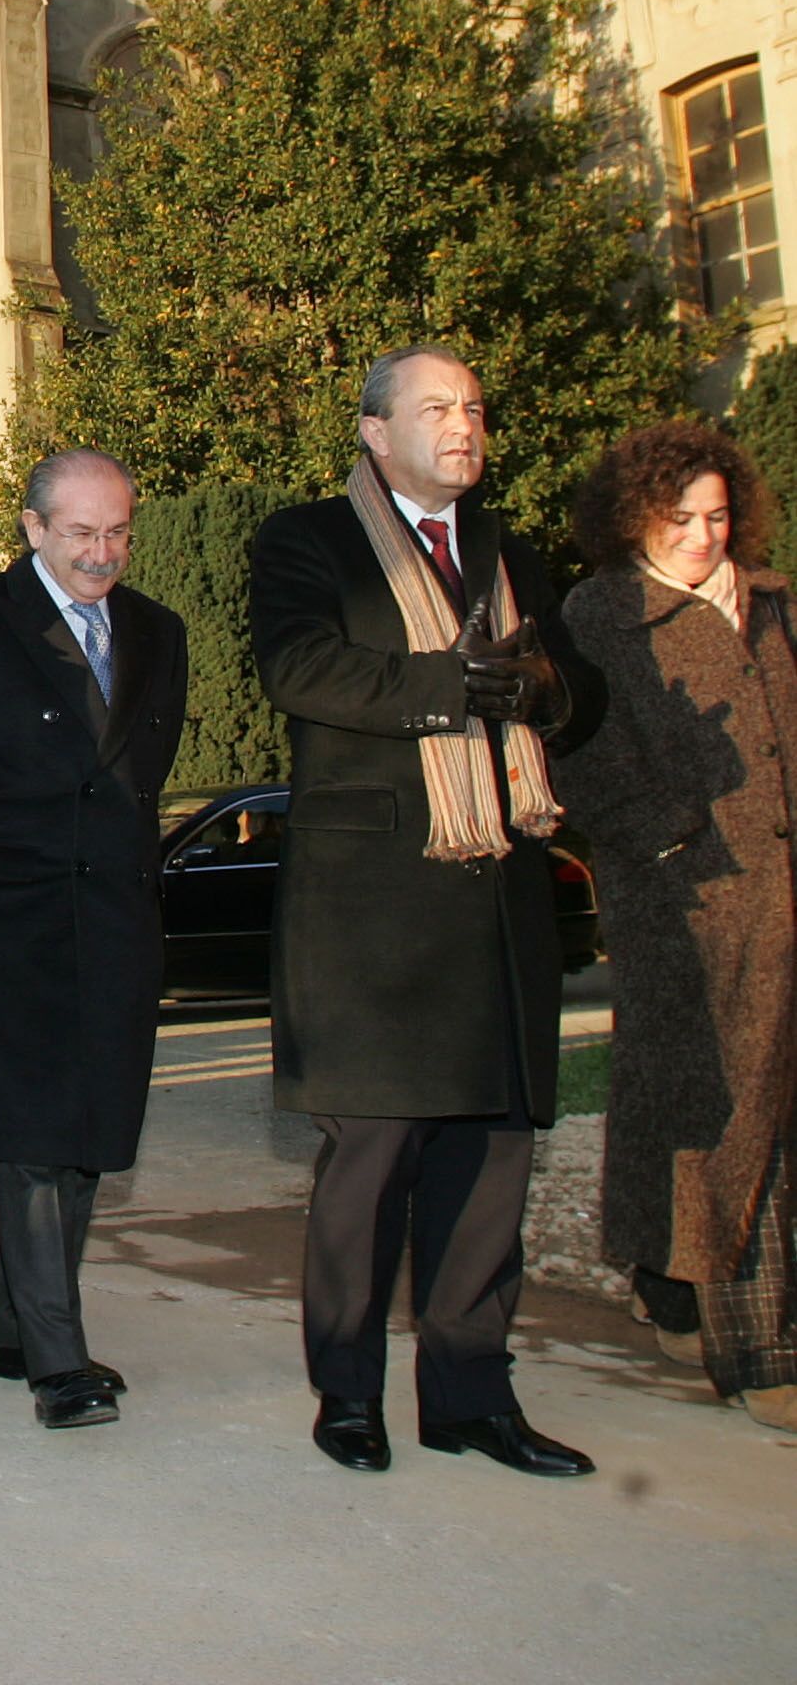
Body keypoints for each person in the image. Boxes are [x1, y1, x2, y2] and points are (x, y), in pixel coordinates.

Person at [250, 345, 600, 1480]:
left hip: (495, 907)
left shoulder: (511, 552)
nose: (465, 424)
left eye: (476, 407)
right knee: (373, 1165)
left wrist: (539, 689)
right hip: (371, 914)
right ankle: (347, 1394)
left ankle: (468, 1393)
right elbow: (301, 668)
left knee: (493, 1161)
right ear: (374, 432)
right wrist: (455, 686)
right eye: (438, 407)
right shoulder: (306, 539)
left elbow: (579, 691)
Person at [0, 449, 188, 1430]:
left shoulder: (161, 632)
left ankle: (18, 1329)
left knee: (85, 1138)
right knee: (29, 1139)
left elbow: (140, 777)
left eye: (117, 531)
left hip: (114, 924)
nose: (101, 552)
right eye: (80, 532)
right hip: (5, 923)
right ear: (31, 528)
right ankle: (57, 1359)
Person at [554, 421, 797, 1432]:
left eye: (717, 516)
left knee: (718, 1099)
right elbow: (576, 750)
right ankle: (761, 1347)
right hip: (682, 898)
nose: (703, 536)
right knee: (722, 1107)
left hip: (782, 885)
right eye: (679, 519)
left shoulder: (776, 601)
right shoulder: (599, 611)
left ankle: (663, 1283)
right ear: (633, 520)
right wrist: (667, 831)